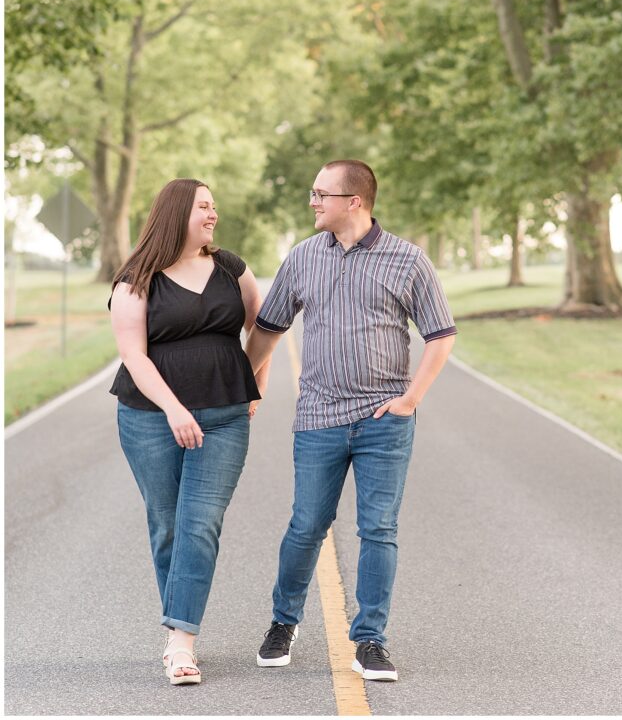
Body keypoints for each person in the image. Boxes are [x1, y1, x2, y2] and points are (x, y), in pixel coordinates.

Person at [245, 159, 456, 682]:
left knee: (378, 528)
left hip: (384, 420)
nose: (312, 201)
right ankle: (282, 623)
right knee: (307, 525)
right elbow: (269, 330)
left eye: (322, 193)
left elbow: (441, 335)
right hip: (318, 418)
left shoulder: (408, 261)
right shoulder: (301, 259)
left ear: (354, 202)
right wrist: (244, 383)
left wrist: (409, 400)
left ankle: (370, 641)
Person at [109, 178, 268, 685]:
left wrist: (254, 386)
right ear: (177, 212)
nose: (213, 213)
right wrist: (175, 409)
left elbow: (261, 330)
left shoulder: (230, 268)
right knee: (169, 525)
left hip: (223, 416)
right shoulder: (136, 278)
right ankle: (180, 627)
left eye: (214, 205)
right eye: (203, 205)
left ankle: (181, 642)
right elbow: (133, 354)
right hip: (150, 418)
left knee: (200, 523)